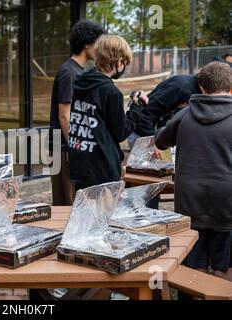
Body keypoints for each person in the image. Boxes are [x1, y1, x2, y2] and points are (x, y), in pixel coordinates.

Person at [155, 61, 232, 283]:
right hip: (226, 203)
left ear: (202, 88)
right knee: (225, 268)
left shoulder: (184, 115)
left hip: (190, 203)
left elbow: (161, 142)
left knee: (193, 266)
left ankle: (192, 289)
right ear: (229, 87)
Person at [67, 34, 147, 191]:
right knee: (103, 214)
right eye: (125, 63)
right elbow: (121, 133)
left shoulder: (80, 83)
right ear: (118, 62)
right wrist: (136, 108)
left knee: (85, 212)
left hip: (81, 164)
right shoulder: (111, 92)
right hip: (102, 170)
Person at [49, 20, 104, 206]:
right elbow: (64, 115)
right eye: (98, 42)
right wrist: (76, 150)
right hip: (63, 150)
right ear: (87, 43)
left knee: (77, 205)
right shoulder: (69, 72)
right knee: (66, 206)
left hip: (69, 149)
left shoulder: (79, 71)